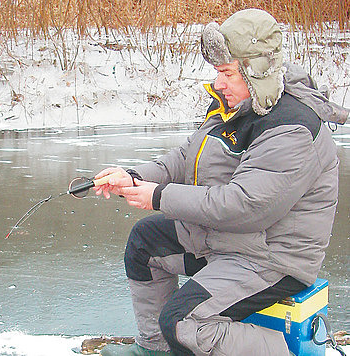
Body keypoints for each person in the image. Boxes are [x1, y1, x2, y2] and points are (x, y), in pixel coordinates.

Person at [93, 8, 348, 356]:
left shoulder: (292, 127)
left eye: (227, 72)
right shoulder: (239, 103)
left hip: (270, 259)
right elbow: (186, 158)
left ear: (255, 71)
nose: (218, 83)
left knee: (184, 323)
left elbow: (244, 206)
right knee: (145, 243)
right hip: (229, 243)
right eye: (217, 72)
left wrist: (158, 196)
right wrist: (135, 177)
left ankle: (287, 353)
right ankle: (153, 350)